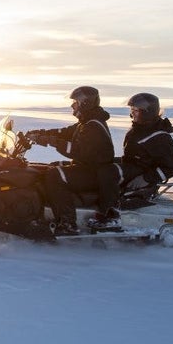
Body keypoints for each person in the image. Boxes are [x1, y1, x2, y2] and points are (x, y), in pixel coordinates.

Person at [26, 86, 116, 236]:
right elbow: (65, 132)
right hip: (88, 167)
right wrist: (40, 133)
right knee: (50, 168)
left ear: (85, 103)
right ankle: (44, 211)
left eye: (76, 102)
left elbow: (78, 150)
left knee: (54, 176)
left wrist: (52, 141)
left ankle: (67, 223)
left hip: (95, 173)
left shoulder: (93, 125)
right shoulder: (87, 122)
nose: (72, 105)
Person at [88, 92, 173, 229]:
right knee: (102, 162)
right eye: (132, 110)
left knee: (109, 172)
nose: (132, 114)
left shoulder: (159, 136)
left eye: (136, 110)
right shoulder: (140, 128)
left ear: (147, 112)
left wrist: (146, 178)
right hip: (134, 167)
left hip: (143, 174)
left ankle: (111, 215)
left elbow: (171, 167)